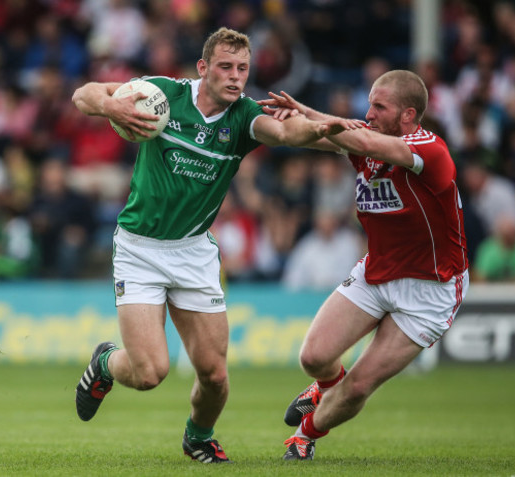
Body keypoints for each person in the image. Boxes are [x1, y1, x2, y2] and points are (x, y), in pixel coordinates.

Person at [70, 27, 340, 464]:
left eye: (243, 69)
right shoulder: (162, 95)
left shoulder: (244, 117)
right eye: (226, 67)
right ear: (203, 68)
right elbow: (83, 95)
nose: (235, 77)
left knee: (215, 376)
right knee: (149, 373)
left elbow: (288, 135)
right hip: (140, 249)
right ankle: (104, 364)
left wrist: (328, 128)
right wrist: (110, 104)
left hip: (193, 252)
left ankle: (198, 437)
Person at [258, 69, 469, 460]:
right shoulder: (367, 144)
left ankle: (305, 436)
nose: (368, 112)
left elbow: (362, 138)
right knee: (313, 358)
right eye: (368, 103)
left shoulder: (429, 149)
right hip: (378, 270)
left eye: (379, 106)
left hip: (430, 288)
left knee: (357, 387)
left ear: (408, 115)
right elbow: (338, 137)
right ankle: (324, 387)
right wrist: (300, 113)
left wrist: (312, 114)